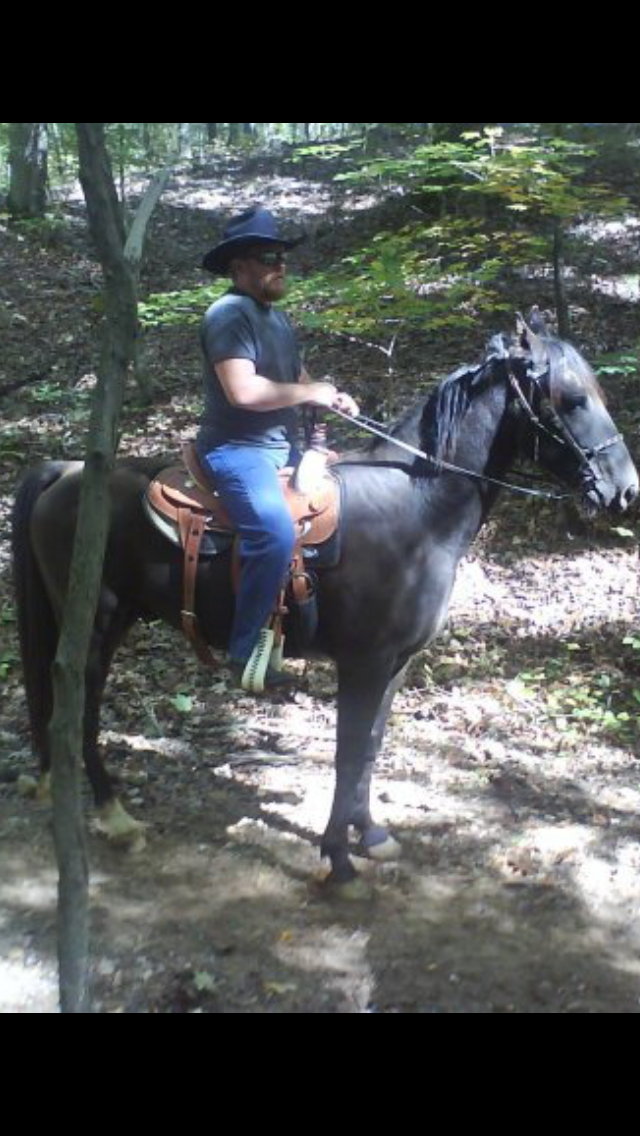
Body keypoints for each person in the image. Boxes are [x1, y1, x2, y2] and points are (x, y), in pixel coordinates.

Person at [197, 206, 359, 690]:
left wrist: (329, 394)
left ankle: (314, 626)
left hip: (281, 446)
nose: (280, 265)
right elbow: (243, 391)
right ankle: (244, 650)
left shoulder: (276, 318)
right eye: (268, 258)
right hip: (237, 450)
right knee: (271, 531)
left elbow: (296, 377)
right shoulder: (228, 315)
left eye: (282, 257)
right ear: (239, 267)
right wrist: (309, 392)